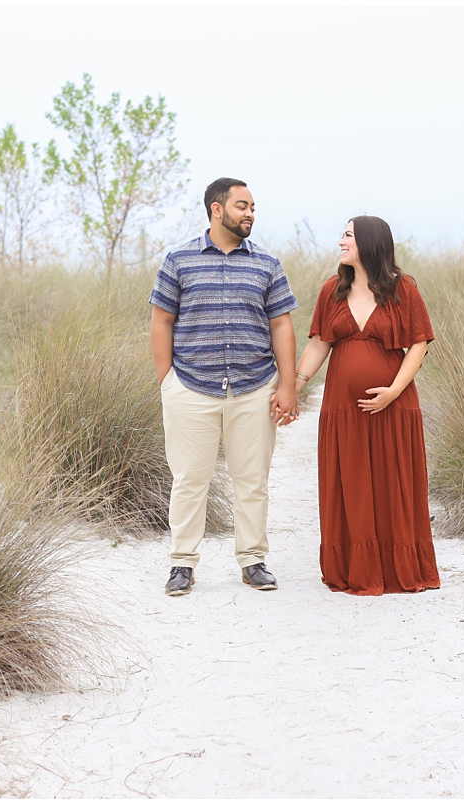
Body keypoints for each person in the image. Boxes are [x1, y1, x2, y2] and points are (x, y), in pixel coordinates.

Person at [149, 178, 299, 596]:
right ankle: (182, 564)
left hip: (253, 387)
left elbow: (282, 324)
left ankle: (253, 560)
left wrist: (287, 385)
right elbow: (161, 321)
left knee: (252, 479)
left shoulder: (267, 265)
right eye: (242, 205)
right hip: (191, 387)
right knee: (190, 479)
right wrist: (168, 382)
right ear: (217, 210)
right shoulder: (179, 259)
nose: (250, 213)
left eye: (252, 206)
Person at [293, 216, 440, 595]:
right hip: (342, 408)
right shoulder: (332, 290)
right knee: (351, 483)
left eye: (348, 236)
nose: (341, 242)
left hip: (394, 404)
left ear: (370, 243)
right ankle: (354, 570)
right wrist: (294, 385)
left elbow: (419, 344)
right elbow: (319, 344)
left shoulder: (403, 289)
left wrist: (393, 390)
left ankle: (398, 570)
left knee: (394, 483)